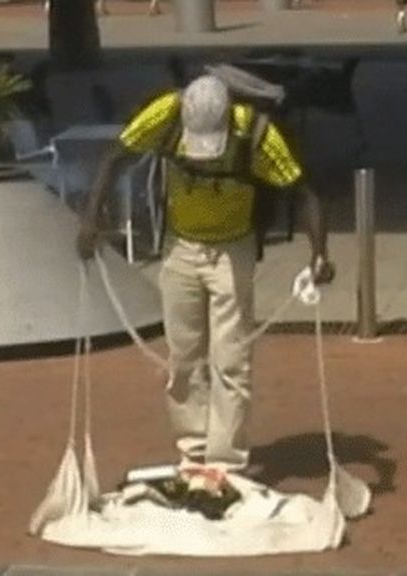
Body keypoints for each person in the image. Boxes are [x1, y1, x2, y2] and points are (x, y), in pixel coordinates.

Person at [75, 75, 335, 473]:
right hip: (180, 248)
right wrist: (91, 220)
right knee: (183, 357)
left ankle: (226, 462)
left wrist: (319, 253)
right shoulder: (165, 116)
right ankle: (194, 453)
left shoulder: (256, 133)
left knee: (231, 359)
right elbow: (115, 157)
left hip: (233, 249)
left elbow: (302, 191)